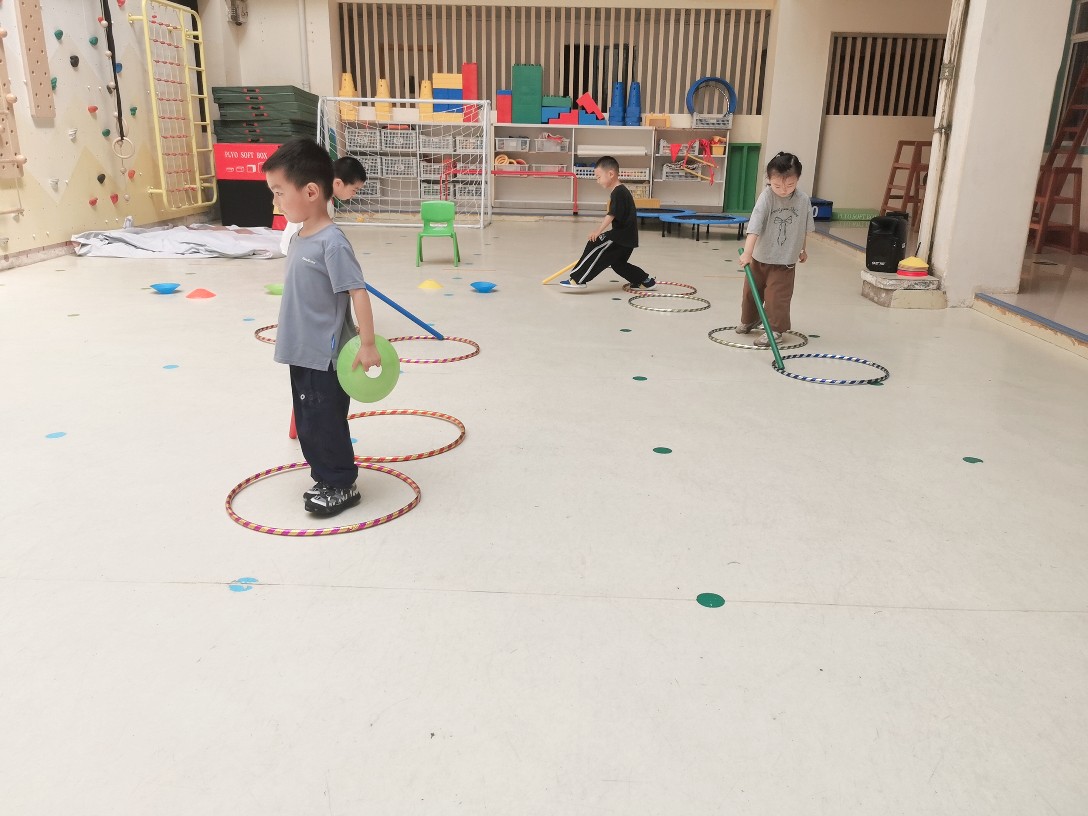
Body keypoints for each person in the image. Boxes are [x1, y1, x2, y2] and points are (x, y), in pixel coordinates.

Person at [263, 139, 381, 516]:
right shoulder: (299, 238)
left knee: (326, 421)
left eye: (279, 192)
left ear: (311, 192)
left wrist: (367, 344)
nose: (276, 202)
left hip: (325, 355)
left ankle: (341, 483)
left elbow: (357, 291)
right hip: (300, 350)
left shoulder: (332, 243)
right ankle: (325, 476)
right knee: (309, 421)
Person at [736, 152, 814, 347]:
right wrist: (747, 253)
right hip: (760, 257)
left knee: (777, 297)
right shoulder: (766, 197)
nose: (784, 190)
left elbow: (803, 228)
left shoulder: (803, 200)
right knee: (751, 293)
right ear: (769, 180)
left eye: (790, 185)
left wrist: (802, 250)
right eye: (777, 185)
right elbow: (754, 227)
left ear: (797, 179)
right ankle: (750, 320)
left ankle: (775, 330)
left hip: (785, 261)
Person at [559, 155, 656, 291]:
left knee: (594, 243)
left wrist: (598, 231)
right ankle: (644, 281)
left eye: (598, 177)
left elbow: (612, 214)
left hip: (620, 236)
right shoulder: (621, 191)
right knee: (618, 264)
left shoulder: (618, 192)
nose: (597, 181)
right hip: (629, 238)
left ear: (610, 174)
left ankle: (577, 279)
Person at [279, 156, 368, 255]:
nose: (354, 194)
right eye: (354, 190)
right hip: (300, 250)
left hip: (296, 247)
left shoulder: (322, 193)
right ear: (338, 183)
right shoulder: (322, 200)